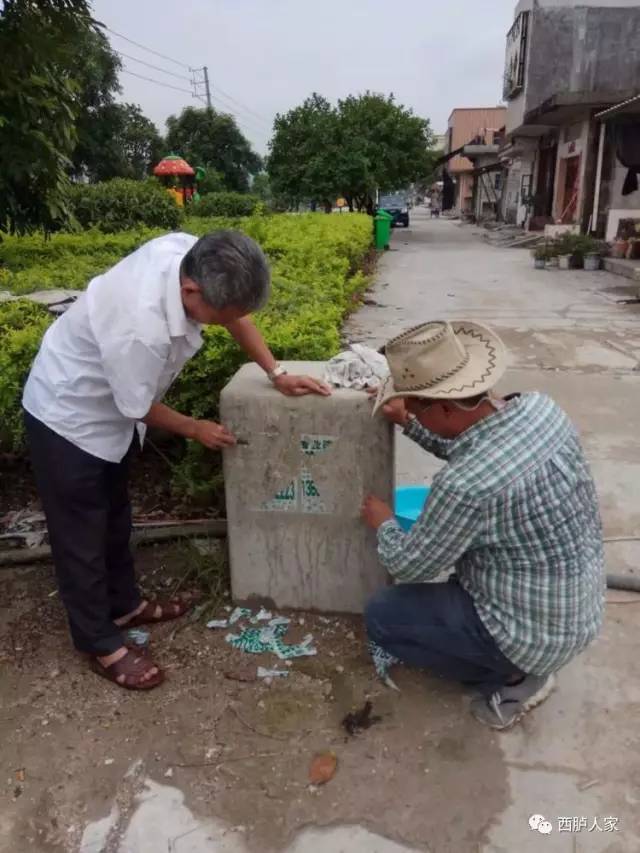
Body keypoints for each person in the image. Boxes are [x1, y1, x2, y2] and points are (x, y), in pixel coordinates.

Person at [23, 230, 330, 691]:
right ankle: (98, 641)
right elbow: (136, 404)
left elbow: (233, 316)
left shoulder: (194, 254)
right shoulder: (138, 328)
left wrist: (277, 372)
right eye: (221, 315)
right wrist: (194, 427)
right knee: (80, 536)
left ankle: (125, 604)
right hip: (68, 417)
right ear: (191, 291)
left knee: (114, 515)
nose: (228, 322)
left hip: (111, 414)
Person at [361, 320, 604, 729]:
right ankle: (519, 658)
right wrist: (410, 422)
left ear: (444, 407)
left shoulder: (466, 486)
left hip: (528, 633)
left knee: (383, 615)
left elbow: (408, 565)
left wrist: (384, 522)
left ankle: (513, 677)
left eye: (416, 406)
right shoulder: (540, 408)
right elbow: (468, 443)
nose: (412, 412)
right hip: (575, 610)